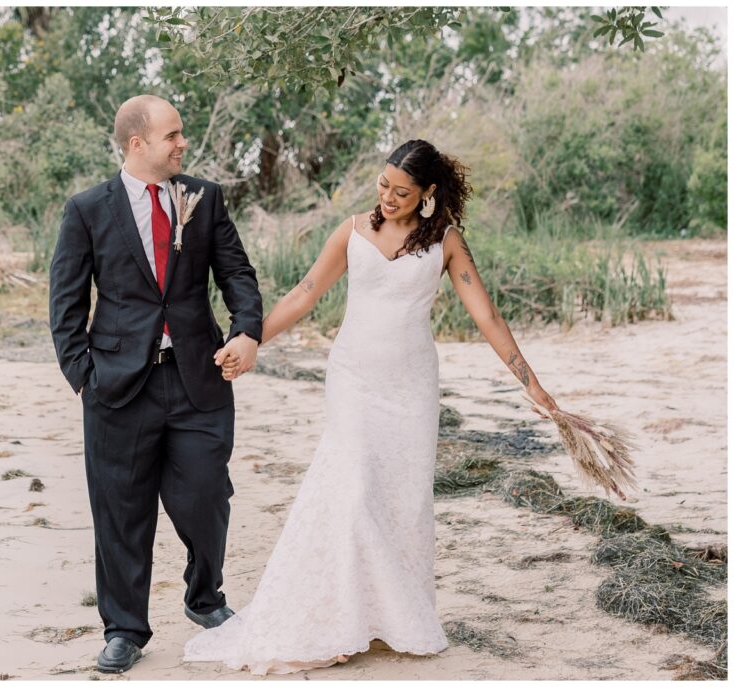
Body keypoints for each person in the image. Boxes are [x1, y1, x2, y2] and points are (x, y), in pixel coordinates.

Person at [185, 139, 558, 675]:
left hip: (411, 389)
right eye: (383, 185)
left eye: (402, 192)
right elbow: (304, 293)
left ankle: (383, 619)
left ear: (427, 194)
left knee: (402, 503)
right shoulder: (353, 230)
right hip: (354, 381)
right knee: (353, 490)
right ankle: (338, 619)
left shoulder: (447, 242)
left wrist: (532, 383)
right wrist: (250, 341)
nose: (387, 197)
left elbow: (488, 317)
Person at [49, 94, 263, 674]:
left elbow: (236, 272)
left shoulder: (204, 198)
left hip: (199, 377)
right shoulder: (88, 209)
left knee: (205, 495)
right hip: (118, 387)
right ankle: (124, 629)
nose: (182, 143)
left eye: (182, 134)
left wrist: (248, 332)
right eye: (172, 135)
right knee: (120, 511)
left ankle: (204, 598)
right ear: (136, 143)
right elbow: (66, 303)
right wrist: (83, 379)